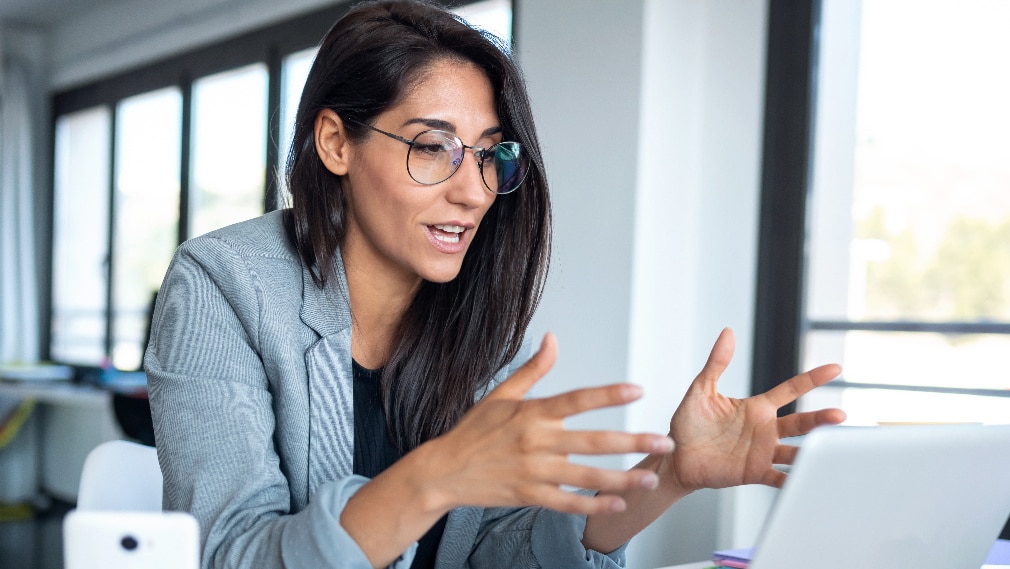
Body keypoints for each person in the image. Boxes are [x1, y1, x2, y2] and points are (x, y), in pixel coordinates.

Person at [144, 1, 846, 568]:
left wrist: (670, 478)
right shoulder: (223, 285)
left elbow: (500, 546)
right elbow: (233, 555)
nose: (474, 192)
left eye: (488, 156)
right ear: (335, 143)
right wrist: (437, 475)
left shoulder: (468, 311)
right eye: (432, 147)